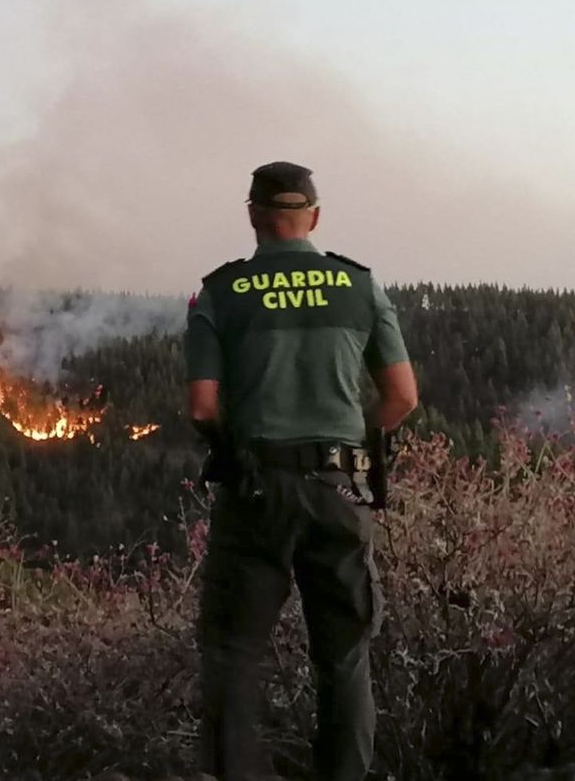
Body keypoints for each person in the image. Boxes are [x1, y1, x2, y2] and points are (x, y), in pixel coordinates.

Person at [185, 161, 418, 781]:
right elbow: (402, 397)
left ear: (255, 216)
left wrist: (230, 444)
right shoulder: (360, 286)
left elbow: (202, 405)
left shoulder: (220, 291)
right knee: (344, 656)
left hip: (256, 491)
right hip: (340, 490)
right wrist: (358, 443)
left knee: (234, 653)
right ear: (313, 216)